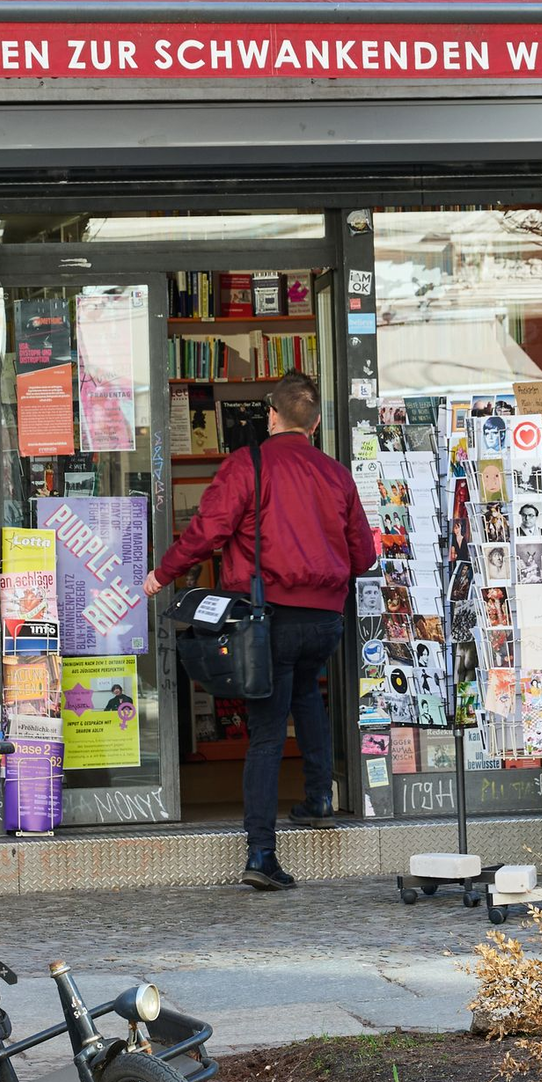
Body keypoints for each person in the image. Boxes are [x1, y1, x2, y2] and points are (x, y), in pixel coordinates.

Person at [143, 371, 376, 891]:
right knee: (309, 699)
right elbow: (363, 554)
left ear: (271, 415)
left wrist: (163, 573)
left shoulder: (247, 464)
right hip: (324, 620)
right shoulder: (337, 474)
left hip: (266, 617)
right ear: (314, 423)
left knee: (267, 732)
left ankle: (261, 853)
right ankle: (319, 798)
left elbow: (209, 531)